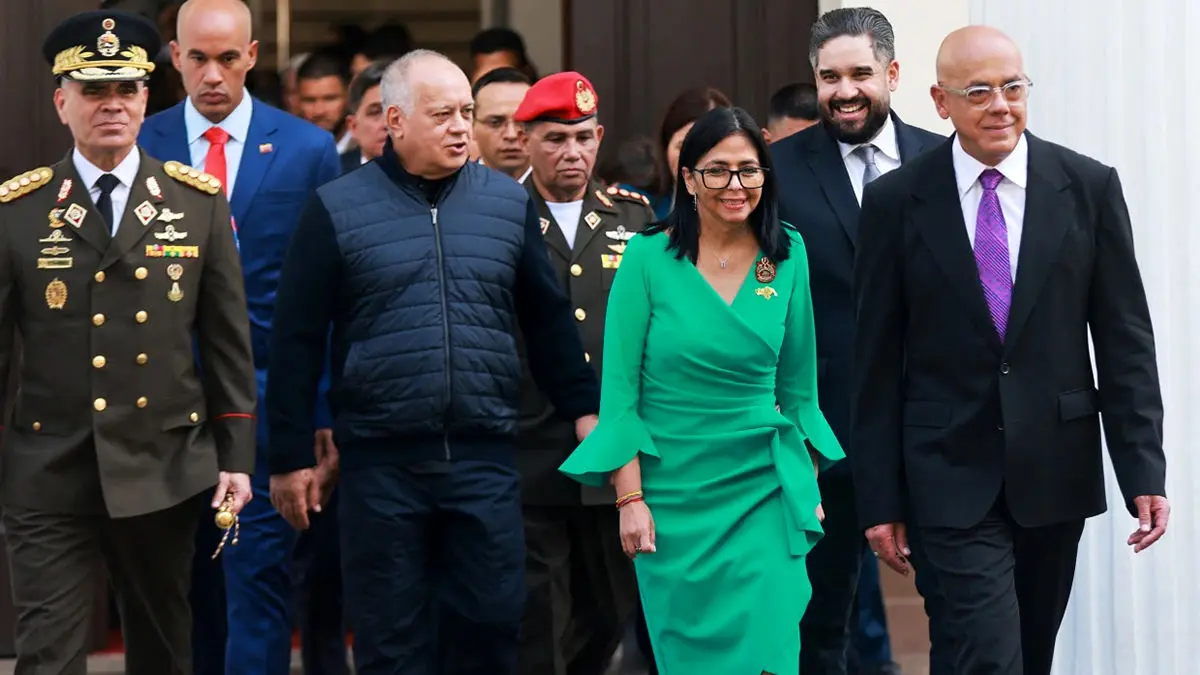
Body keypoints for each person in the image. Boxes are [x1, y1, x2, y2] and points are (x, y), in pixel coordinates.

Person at [265, 49, 600, 675]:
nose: (460, 127)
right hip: (381, 464)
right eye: (443, 114)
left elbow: (548, 320)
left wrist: (584, 408)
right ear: (395, 120)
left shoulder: (505, 204)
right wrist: (287, 456)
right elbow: (296, 338)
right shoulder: (336, 207)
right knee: (392, 642)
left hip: (484, 456)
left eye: (466, 112)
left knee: (491, 626)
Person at [853, 25, 1169, 675]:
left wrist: (1142, 470)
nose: (1000, 105)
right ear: (940, 102)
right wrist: (880, 497)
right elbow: (876, 361)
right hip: (945, 471)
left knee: (1024, 653)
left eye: (1013, 87)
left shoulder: (1087, 187)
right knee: (988, 652)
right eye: (978, 91)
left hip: (1054, 467)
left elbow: (1125, 341)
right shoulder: (896, 201)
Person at [0, 9, 256, 673]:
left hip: (162, 463)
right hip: (50, 464)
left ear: (146, 99)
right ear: (62, 103)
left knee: (163, 646)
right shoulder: (20, 211)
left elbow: (226, 342)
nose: (111, 104)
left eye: (126, 89)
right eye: (93, 91)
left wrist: (236, 456)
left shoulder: (195, 203)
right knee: (47, 650)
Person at [559, 105, 843, 674]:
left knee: (770, 649)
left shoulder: (788, 253)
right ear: (688, 178)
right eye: (717, 170)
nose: (735, 185)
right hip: (673, 496)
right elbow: (620, 400)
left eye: (749, 169)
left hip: (763, 485)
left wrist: (805, 479)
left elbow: (799, 390)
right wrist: (630, 501)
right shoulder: (646, 256)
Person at [137, 1, 342, 674]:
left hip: (264, 407)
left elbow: (326, 298)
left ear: (253, 55)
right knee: (177, 591)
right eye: (198, 58)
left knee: (257, 586)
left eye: (228, 58)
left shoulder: (307, 150)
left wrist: (319, 414)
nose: (213, 75)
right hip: (160, 410)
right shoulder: (141, 141)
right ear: (174, 56)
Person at [769, 8, 949, 675]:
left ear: (892, 74)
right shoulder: (776, 171)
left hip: (940, 431)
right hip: (824, 433)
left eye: (860, 74)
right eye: (829, 77)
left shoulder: (945, 160)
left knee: (961, 614)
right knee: (820, 623)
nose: (844, 91)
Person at [511, 71, 653, 675]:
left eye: (584, 137)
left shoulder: (634, 218)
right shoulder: (499, 213)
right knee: (538, 618)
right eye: (555, 138)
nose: (572, 152)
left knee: (608, 611)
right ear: (524, 139)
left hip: (612, 454)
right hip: (532, 444)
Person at [473, 66, 533, 182]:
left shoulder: (562, 189)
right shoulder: (449, 190)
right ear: (471, 126)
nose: (511, 135)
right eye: (495, 122)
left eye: (524, 123)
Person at [340, 60, 391, 172]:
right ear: (353, 126)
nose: (387, 124)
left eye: (398, 112)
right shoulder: (331, 175)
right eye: (375, 112)